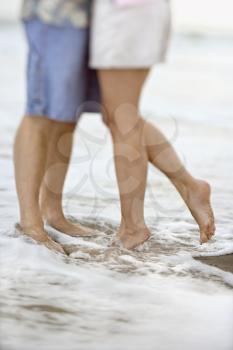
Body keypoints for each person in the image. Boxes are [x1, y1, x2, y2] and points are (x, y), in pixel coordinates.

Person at [15, 0, 215, 253]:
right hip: (64, 12)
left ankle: (125, 223)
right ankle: (34, 224)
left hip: (112, 15)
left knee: (113, 116)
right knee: (52, 111)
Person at [90, 0, 215, 249]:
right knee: (117, 116)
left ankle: (133, 227)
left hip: (127, 13)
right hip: (126, 13)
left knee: (122, 117)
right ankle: (191, 187)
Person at [14, 0, 101, 253]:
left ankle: (53, 212)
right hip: (53, 11)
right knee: (39, 110)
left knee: (66, 115)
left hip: (88, 13)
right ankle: (30, 222)